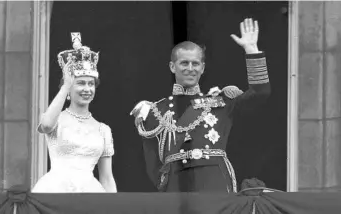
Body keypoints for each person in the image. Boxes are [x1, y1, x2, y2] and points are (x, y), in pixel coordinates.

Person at [131, 18, 270, 192]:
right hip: (175, 187)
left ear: (203, 68)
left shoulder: (221, 102)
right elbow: (152, 162)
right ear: (172, 66)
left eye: (195, 63)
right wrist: (165, 186)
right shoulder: (154, 110)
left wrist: (252, 50)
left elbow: (260, 93)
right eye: (184, 63)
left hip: (213, 184)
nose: (190, 68)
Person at [32, 33, 117, 193]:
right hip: (55, 190)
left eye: (91, 84)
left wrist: (113, 207)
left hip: (91, 193)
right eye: (80, 83)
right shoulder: (56, 118)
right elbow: (46, 124)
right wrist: (66, 85)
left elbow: (106, 177)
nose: (87, 89)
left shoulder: (103, 130)